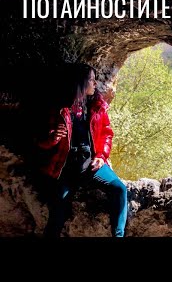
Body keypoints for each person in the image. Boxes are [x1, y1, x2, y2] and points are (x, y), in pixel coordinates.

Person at [34, 63, 127, 237]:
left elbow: (107, 133)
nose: (94, 84)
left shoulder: (97, 105)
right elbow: (39, 142)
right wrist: (53, 138)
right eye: (91, 80)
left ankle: (119, 235)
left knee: (119, 189)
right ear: (80, 83)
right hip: (64, 168)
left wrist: (101, 156)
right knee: (58, 212)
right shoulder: (57, 108)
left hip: (90, 164)